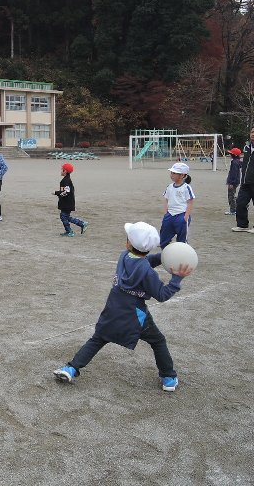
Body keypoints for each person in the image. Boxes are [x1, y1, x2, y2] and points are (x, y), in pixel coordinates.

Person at [53, 222, 193, 392]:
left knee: (98, 339)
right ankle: (168, 378)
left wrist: (162, 257)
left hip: (113, 309)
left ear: (129, 244)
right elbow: (162, 294)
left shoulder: (124, 256)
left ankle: (71, 368)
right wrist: (176, 279)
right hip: (134, 316)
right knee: (158, 341)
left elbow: (143, 262)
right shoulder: (147, 272)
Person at [160, 162, 195, 248]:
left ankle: (181, 254)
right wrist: (166, 213)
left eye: (174, 173)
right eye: (171, 173)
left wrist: (186, 217)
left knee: (182, 241)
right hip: (170, 215)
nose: (171, 175)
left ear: (182, 175)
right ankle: (166, 253)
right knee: (163, 239)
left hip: (181, 215)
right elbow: (166, 200)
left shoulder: (186, 187)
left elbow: (190, 202)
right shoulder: (169, 187)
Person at [54, 163, 89, 237]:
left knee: (63, 216)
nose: (61, 171)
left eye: (62, 170)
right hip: (68, 202)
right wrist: (59, 193)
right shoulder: (66, 180)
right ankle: (81, 224)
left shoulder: (65, 181)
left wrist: (56, 193)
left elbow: (66, 192)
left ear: (65, 171)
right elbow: (64, 191)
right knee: (65, 216)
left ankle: (70, 231)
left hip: (67, 203)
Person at [225, 148, 242, 215]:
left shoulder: (234, 162)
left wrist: (231, 183)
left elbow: (233, 173)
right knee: (232, 195)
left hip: (233, 182)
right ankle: (235, 209)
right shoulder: (237, 161)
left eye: (231, 154)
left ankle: (233, 210)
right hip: (236, 181)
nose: (230, 155)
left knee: (231, 196)